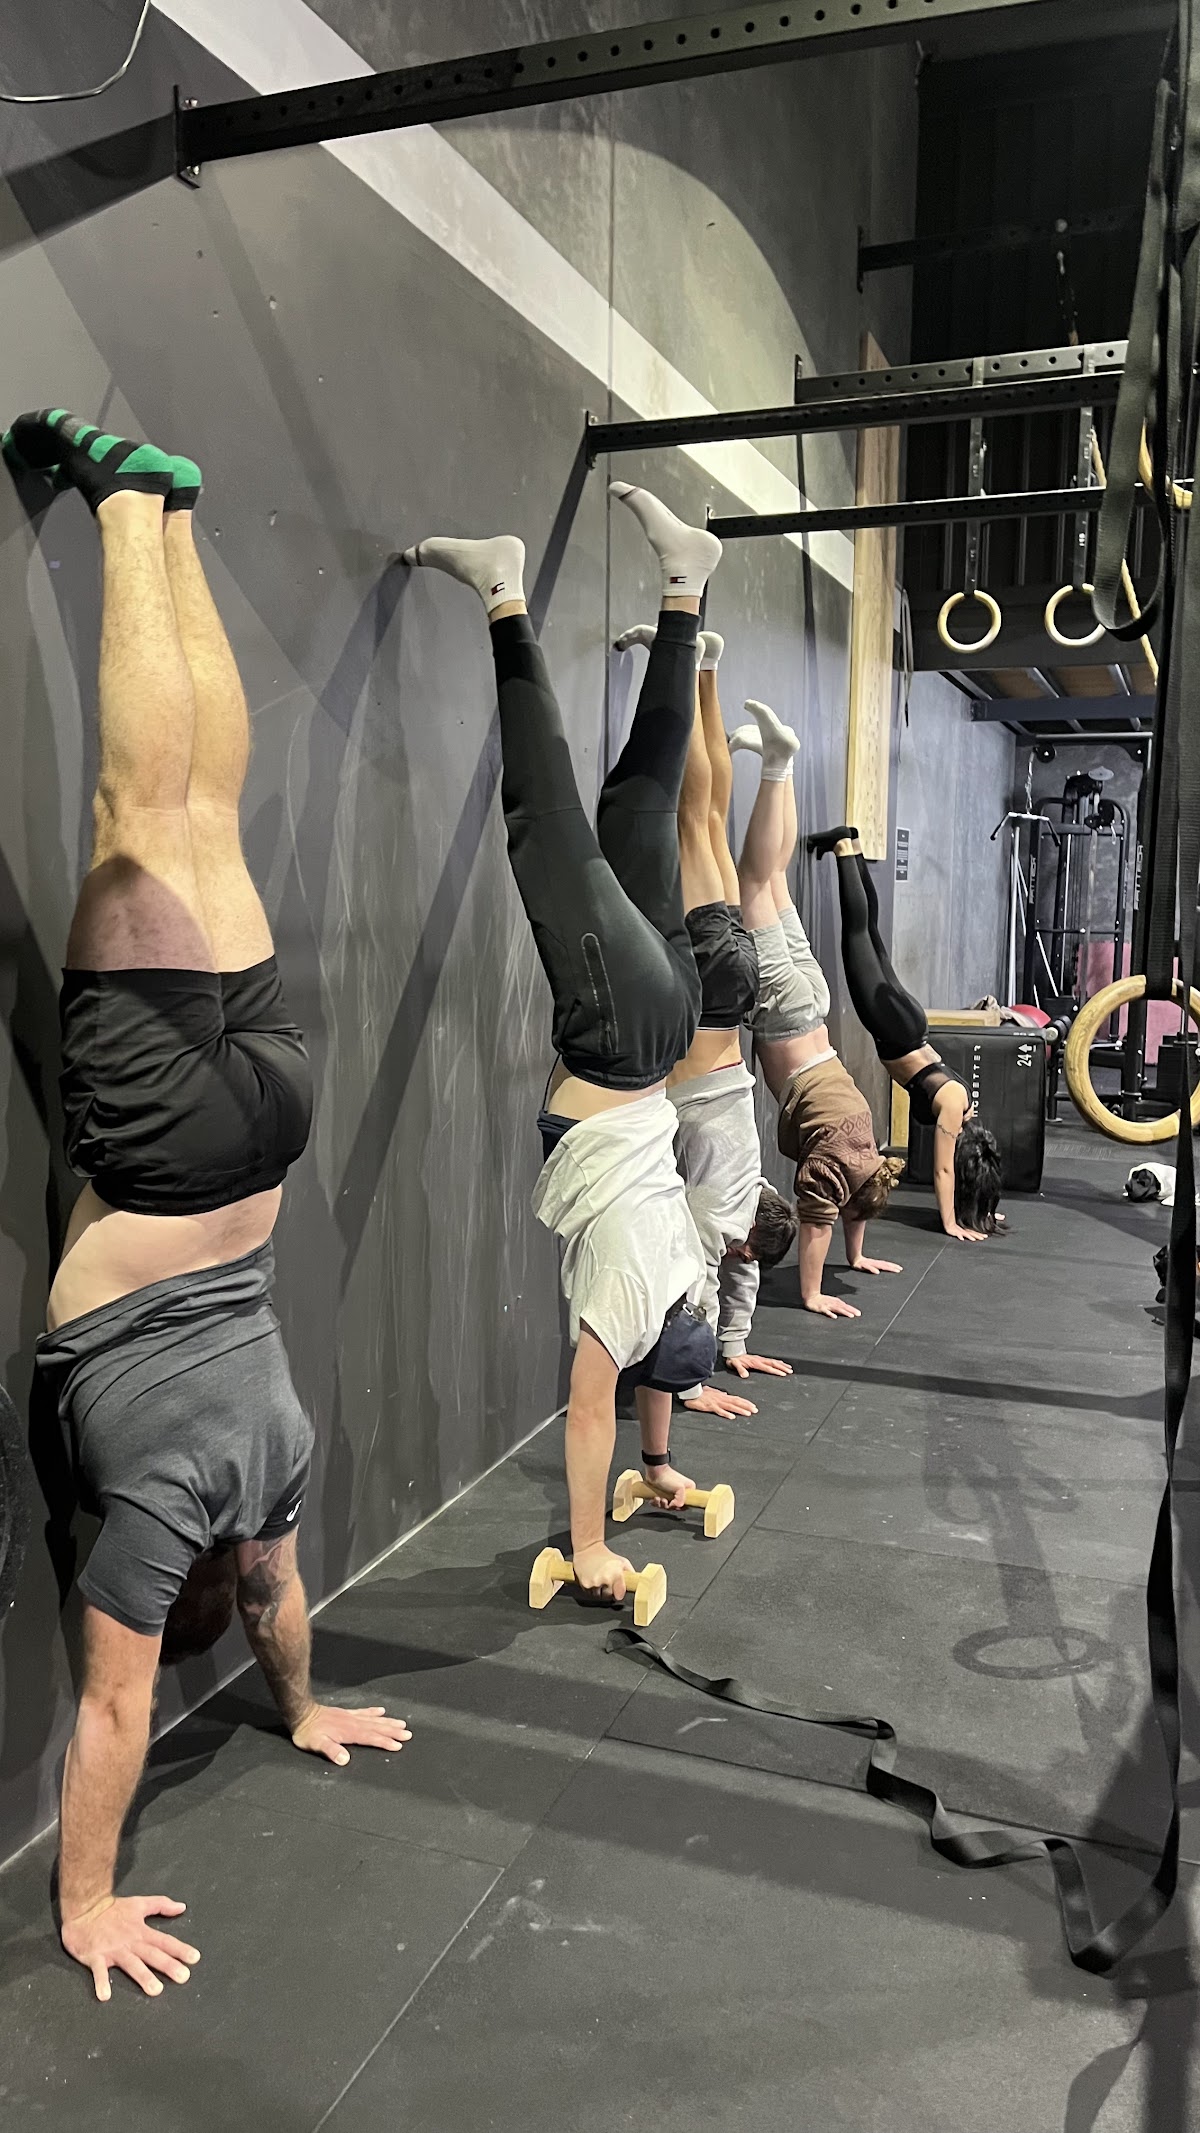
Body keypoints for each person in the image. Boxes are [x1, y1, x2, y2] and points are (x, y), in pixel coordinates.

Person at [4, 409, 412, 2006]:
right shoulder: (167, 1511)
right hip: (169, 1146)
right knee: (138, 814)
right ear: (164, 1584)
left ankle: (173, 519)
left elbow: (285, 1599)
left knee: (209, 820)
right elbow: (113, 1716)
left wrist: (306, 1706)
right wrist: (85, 1899)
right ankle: (121, 511)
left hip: (265, 1136)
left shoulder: (279, 1461)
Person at [404, 483, 721, 1602]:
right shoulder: (633, 1296)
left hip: (669, 1015)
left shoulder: (686, 1271)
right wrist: (589, 1545)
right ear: (650, 1341)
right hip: (617, 1028)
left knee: (642, 799)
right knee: (544, 816)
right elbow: (591, 1405)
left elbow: (653, 1383)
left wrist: (664, 1466)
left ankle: (686, 583)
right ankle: (503, 588)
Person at [615, 621, 796, 1420]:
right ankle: (680, 657)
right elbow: (694, 1277)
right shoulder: (718, 1219)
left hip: (739, 996)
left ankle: (709, 665)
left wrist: (739, 1341)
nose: (731, 1259)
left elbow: (740, 1271)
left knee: (715, 823)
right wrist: (691, 1382)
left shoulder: (749, 1191)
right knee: (694, 822)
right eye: (738, 1253)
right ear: (743, 1235)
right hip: (712, 998)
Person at [732, 706, 902, 1320]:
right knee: (753, 881)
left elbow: (858, 1205)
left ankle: (783, 762)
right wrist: (813, 1291)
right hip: (785, 1016)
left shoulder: (867, 1154)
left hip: (816, 1009)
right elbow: (819, 1226)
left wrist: (858, 1258)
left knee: (777, 879)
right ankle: (777, 763)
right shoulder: (835, 1171)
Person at [808, 826, 1004, 1240]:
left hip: (905, 1024)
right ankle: (844, 849)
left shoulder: (960, 1104)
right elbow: (944, 1169)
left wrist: (985, 1209)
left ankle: (850, 845)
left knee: (870, 935)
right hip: (892, 1027)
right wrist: (950, 1222)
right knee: (857, 937)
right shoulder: (953, 1107)